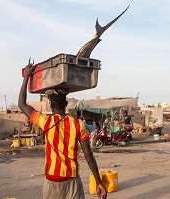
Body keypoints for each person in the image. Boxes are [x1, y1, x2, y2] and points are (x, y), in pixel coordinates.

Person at [18, 63, 107, 199]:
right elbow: (88, 155)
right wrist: (99, 182)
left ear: (51, 104)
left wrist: (27, 76)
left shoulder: (45, 121)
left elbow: (21, 104)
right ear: (66, 104)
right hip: (72, 180)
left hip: (52, 180)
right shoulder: (78, 125)